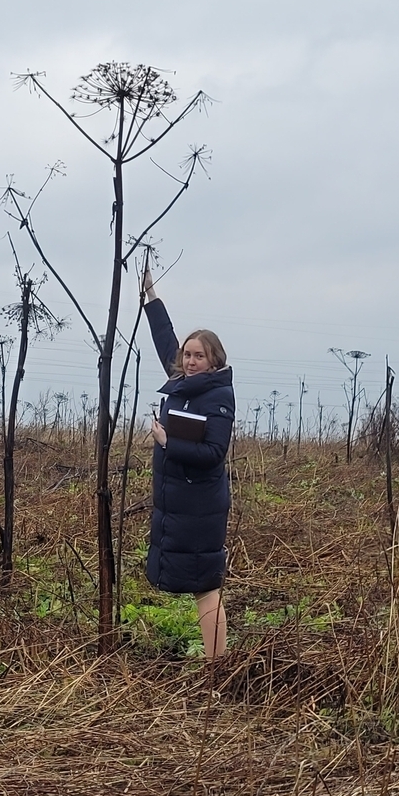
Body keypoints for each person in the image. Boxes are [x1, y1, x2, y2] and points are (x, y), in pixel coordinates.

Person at [142, 266, 234, 659]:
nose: (190, 360)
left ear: (213, 361)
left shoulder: (218, 397)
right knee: (198, 584)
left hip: (200, 506)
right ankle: (215, 663)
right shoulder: (181, 381)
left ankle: (217, 666)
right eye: (188, 354)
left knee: (206, 586)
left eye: (199, 355)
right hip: (177, 504)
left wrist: (167, 441)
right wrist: (150, 297)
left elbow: (214, 453)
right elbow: (165, 339)